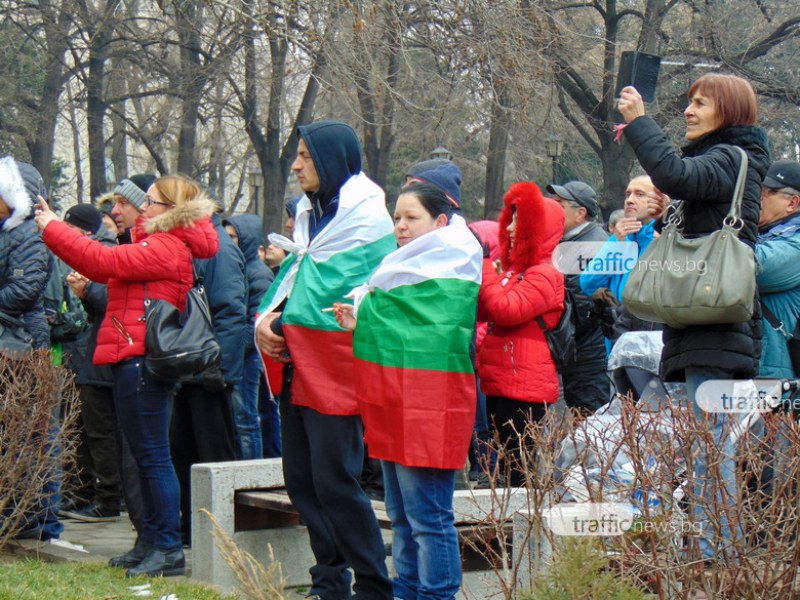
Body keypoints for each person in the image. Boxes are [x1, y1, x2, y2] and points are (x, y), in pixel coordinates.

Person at [618, 73, 770, 562]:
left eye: (701, 103)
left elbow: (675, 175)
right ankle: (714, 548)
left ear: (727, 111)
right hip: (701, 327)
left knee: (711, 447)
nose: (689, 110)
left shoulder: (730, 158)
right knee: (707, 445)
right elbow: (684, 191)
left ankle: (715, 553)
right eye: (690, 102)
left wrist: (640, 123)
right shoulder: (719, 160)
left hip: (716, 331)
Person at [35, 174, 219, 577]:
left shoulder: (166, 245)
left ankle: (168, 548)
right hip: (133, 357)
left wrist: (53, 227)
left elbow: (100, 262)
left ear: (171, 210)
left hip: (142, 361)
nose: (143, 208)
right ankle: (150, 541)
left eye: (150, 202)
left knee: (153, 458)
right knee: (143, 455)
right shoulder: (158, 243)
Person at [255, 120, 396, 600]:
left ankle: (374, 587)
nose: (295, 166)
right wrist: (268, 322)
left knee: (336, 482)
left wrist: (287, 320)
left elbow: (362, 294)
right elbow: (297, 280)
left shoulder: (367, 218)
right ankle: (328, 582)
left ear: (332, 159)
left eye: (306, 157)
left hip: (337, 369)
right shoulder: (310, 217)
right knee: (301, 480)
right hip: (298, 365)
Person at [333, 181, 482, 599]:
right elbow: (404, 332)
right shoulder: (401, 269)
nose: (400, 226)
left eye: (411, 217)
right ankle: (408, 589)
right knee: (400, 515)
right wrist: (362, 320)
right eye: (397, 217)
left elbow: (430, 335)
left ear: (440, 221)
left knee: (428, 517)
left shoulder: (453, 264)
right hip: (398, 405)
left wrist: (370, 310)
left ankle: (436, 594)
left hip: (431, 406)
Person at [476, 182, 565, 487]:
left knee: (519, 470)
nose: (511, 228)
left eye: (519, 221)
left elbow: (505, 310)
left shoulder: (544, 273)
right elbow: (484, 311)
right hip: (503, 382)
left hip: (524, 389)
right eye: (510, 219)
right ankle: (510, 530)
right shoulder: (516, 271)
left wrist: (485, 268)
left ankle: (522, 532)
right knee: (507, 465)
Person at [170, 194, 246, 547]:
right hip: (188, 368)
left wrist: (219, 367)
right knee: (184, 451)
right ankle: (194, 529)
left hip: (207, 371)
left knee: (215, 454)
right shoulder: (195, 245)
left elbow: (231, 312)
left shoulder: (217, 249)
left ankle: (223, 532)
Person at [0, 157, 59, 541]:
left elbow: (23, 291)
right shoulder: (7, 232)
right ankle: (13, 511)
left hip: (23, 345)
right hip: (8, 343)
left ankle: (40, 518)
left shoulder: (29, 235)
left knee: (34, 434)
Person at [58, 204, 123, 523]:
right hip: (91, 356)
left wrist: (85, 290)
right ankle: (83, 494)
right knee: (84, 431)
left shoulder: (107, 254)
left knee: (102, 433)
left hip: (102, 359)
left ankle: (108, 498)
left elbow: (113, 303)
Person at [548, 180, 609, 414]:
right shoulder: (574, 240)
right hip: (581, 350)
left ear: (580, 213)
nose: (553, 209)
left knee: (590, 421)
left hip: (588, 353)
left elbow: (581, 305)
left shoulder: (590, 244)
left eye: (560, 204)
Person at [222, 213, 275, 459]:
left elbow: (256, 320)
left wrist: (234, 350)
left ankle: (251, 474)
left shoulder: (258, 273)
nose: (228, 241)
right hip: (237, 353)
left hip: (247, 356)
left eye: (233, 236)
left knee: (247, 419)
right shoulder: (236, 266)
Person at [756, 160, 800, 378]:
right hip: (749, 370)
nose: (758, 196)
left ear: (793, 203)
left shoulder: (797, 243)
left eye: (769, 192)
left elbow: (754, 267)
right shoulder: (759, 235)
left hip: (776, 380)